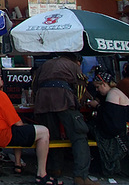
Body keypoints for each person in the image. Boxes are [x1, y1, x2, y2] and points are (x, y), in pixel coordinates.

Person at [0, 67, 55, 185]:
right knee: (44, 131)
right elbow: (18, 123)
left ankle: (18, 163)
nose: (1, 78)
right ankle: (42, 174)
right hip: (0, 136)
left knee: (19, 130)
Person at [33, 53, 95, 185]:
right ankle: (81, 176)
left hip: (43, 100)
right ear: (77, 60)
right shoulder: (73, 65)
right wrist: (82, 102)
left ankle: (54, 168)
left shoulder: (46, 64)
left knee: (51, 136)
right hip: (64, 99)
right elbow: (80, 88)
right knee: (79, 135)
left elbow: (35, 85)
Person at [89, 69, 129, 184]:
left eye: (98, 87)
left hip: (126, 132)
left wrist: (98, 106)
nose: (97, 90)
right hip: (127, 129)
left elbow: (112, 119)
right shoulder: (114, 92)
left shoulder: (113, 94)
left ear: (104, 84)